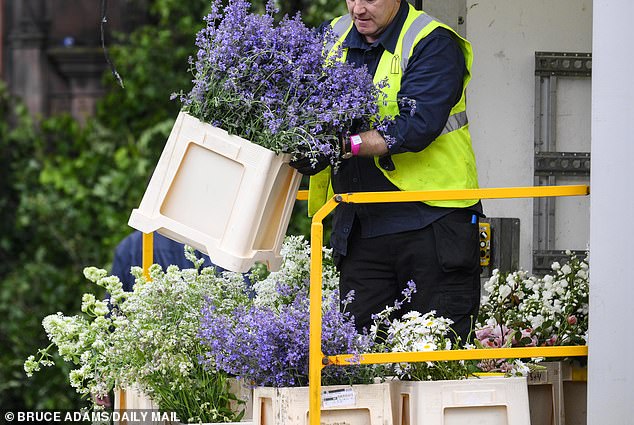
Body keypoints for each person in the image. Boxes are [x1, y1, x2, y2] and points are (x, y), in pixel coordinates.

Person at [291, 0, 482, 343]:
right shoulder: (333, 36)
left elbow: (416, 125)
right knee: (362, 362)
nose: (358, 8)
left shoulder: (433, 41)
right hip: (361, 227)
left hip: (432, 225)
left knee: (436, 360)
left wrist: (342, 146)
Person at [111, 231, 219, 292]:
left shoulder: (129, 245)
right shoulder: (202, 242)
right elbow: (215, 288)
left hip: (141, 327)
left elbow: (114, 301)